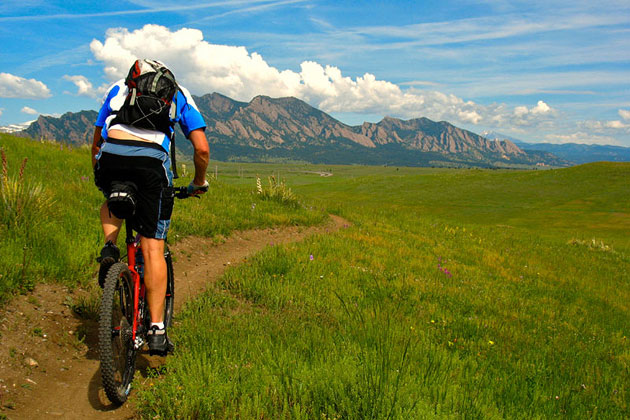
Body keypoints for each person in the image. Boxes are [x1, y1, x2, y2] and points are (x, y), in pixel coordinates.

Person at [92, 59, 209, 354]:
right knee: (153, 246)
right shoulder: (178, 93)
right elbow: (202, 148)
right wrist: (198, 182)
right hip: (151, 164)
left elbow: (96, 139)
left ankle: (109, 247)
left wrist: (99, 172)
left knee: (111, 199)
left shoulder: (118, 88)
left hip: (111, 155)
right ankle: (157, 329)